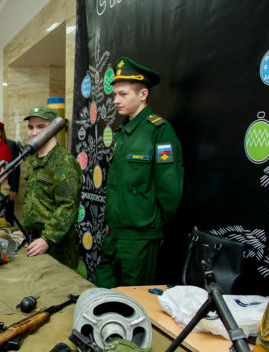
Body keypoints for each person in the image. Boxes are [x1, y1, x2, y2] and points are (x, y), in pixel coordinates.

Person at [95, 57, 184, 287]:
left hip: (140, 236)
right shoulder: (122, 132)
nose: (116, 100)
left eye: (123, 94)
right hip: (114, 234)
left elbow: (170, 187)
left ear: (143, 94)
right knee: (104, 291)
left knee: (133, 296)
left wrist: (156, 226)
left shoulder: (159, 131)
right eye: (114, 95)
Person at [21, 105, 83, 269]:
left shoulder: (62, 163)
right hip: (35, 242)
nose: (34, 132)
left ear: (54, 129)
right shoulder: (35, 160)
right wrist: (25, 230)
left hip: (57, 248)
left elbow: (67, 206)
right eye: (31, 127)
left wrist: (47, 239)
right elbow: (33, 201)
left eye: (41, 127)